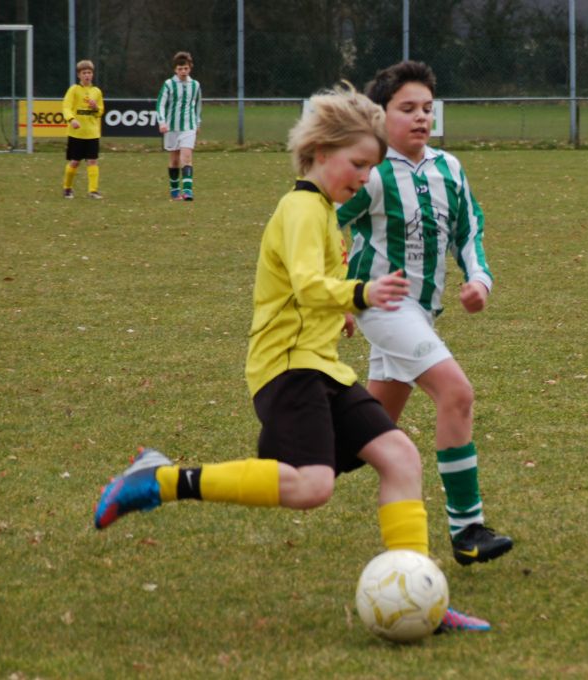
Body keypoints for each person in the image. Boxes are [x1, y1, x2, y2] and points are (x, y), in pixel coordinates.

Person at [94, 83, 489, 633]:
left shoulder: (323, 210)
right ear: (321, 152)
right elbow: (306, 285)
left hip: (321, 365)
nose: (366, 177)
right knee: (312, 487)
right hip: (287, 367)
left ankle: (421, 594)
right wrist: (360, 294)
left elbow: (316, 281)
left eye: (372, 167)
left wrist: (342, 308)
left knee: (400, 457)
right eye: (358, 164)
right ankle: (160, 479)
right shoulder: (301, 208)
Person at [338, 61, 513, 567]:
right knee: (456, 393)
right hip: (386, 307)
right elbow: (323, 223)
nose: (421, 117)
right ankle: (468, 529)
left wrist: (478, 280)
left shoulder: (449, 168)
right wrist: (340, 295)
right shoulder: (370, 173)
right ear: (380, 116)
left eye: (427, 109)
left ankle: (277, 469)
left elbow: (469, 231)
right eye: (407, 108)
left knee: (361, 439)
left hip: (422, 313)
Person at [156, 51, 202, 201]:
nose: (183, 71)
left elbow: (198, 105)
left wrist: (198, 123)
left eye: (186, 68)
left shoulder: (195, 85)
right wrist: (162, 122)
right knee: (174, 160)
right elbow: (160, 104)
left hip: (189, 127)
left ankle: (188, 191)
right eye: (180, 69)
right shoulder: (169, 85)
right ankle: (175, 191)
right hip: (172, 128)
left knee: (186, 157)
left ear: (190, 68)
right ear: (175, 70)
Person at [61, 60, 104, 199]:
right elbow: (66, 107)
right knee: (75, 162)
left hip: (92, 133)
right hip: (77, 134)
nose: (87, 75)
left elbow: (100, 112)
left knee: (93, 161)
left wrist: (95, 108)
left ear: (92, 74)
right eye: (84, 73)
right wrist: (71, 119)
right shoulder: (74, 90)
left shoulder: (96, 92)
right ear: (79, 75)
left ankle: (93, 191)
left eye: (89, 73)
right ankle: (67, 188)